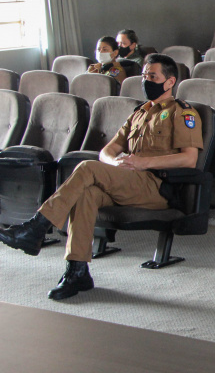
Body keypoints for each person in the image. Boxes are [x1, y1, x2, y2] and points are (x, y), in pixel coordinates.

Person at [0, 55, 204, 300]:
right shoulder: (139, 113)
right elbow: (108, 150)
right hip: (126, 179)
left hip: (156, 185)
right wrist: (115, 162)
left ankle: (37, 227)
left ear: (170, 81)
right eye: (144, 76)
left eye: (153, 77)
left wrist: (144, 162)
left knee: (87, 168)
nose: (146, 81)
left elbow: (189, 159)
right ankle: (77, 271)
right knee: (87, 194)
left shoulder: (182, 112)